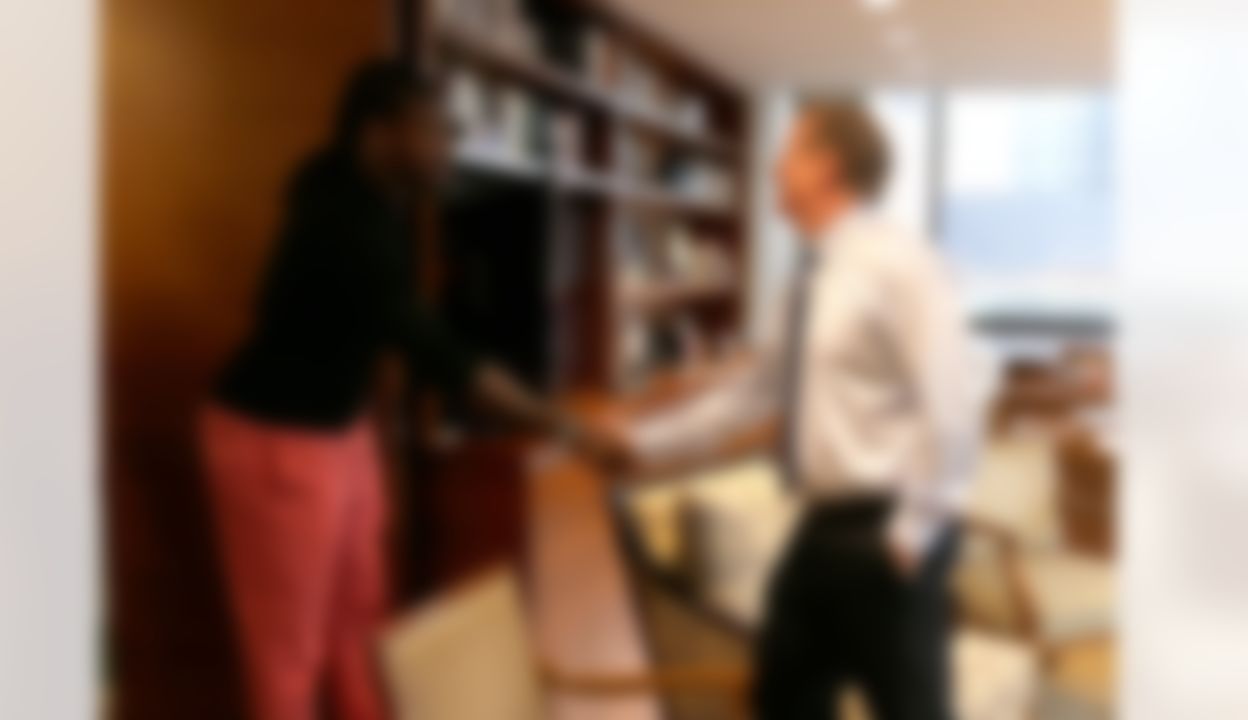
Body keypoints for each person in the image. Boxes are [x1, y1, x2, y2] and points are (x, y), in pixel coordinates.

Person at [201, 60, 605, 720]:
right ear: (378, 132)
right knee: (289, 653)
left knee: (361, 619)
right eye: (435, 130)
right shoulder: (347, 227)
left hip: (341, 429)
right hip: (276, 441)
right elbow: (444, 357)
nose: (449, 146)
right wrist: (562, 423)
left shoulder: (355, 190)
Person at [624, 100, 985, 719]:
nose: (772, 165)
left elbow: (956, 404)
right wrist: (642, 442)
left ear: (825, 167)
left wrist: (912, 534)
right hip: (824, 528)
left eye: (787, 151)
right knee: (784, 697)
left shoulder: (903, 264)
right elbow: (754, 392)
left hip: (889, 529)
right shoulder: (810, 280)